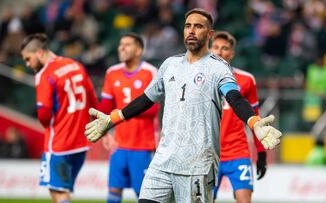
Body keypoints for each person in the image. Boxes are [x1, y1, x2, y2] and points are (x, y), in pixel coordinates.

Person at [85, 8, 282, 203]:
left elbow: (235, 98)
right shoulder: (169, 65)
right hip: (163, 161)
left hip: (197, 165)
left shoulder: (218, 68)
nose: (191, 31)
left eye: (198, 26)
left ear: (209, 34)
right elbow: (145, 99)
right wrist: (112, 119)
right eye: (188, 26)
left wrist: (255, 122)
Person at [21, 33, 98, 203]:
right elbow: (93, 99)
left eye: (28, 59)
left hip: (59, 143)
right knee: (63, 190)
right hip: (81, 144)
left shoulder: (45, 74)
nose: (27, 64)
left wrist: (48, 124)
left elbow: (43, 114)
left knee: (57, 192)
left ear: (40, 53)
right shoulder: (75, 65)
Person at [97, 33, 160, 203]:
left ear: (139, 50)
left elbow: (153, 110)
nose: (121, 48)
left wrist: (123, 112)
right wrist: (105, 133)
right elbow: (105, 108)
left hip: (143, 144)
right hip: (119, 144)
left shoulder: (150, 72)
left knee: (143, 193)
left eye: (127, 44)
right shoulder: (112, 72)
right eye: (120, 44)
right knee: (113, 190)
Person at [210, 31, 267, 203]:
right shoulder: (200, 79)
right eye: (216, 47)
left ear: (232, 53)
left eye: (225, 48)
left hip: (238, 152)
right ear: (209, 50)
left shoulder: (246, 80)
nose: (219, 52)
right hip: (208, 154)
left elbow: (255, 118)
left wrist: (261, 153)